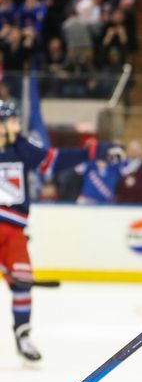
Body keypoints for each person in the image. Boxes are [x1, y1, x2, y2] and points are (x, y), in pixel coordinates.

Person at [0, 100, 122, 361]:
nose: (16, 125)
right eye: (11, 121)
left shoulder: (21, 147)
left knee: (22, 282)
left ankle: (23, 335)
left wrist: (93, 152)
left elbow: (52, 160)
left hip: (13, 230)